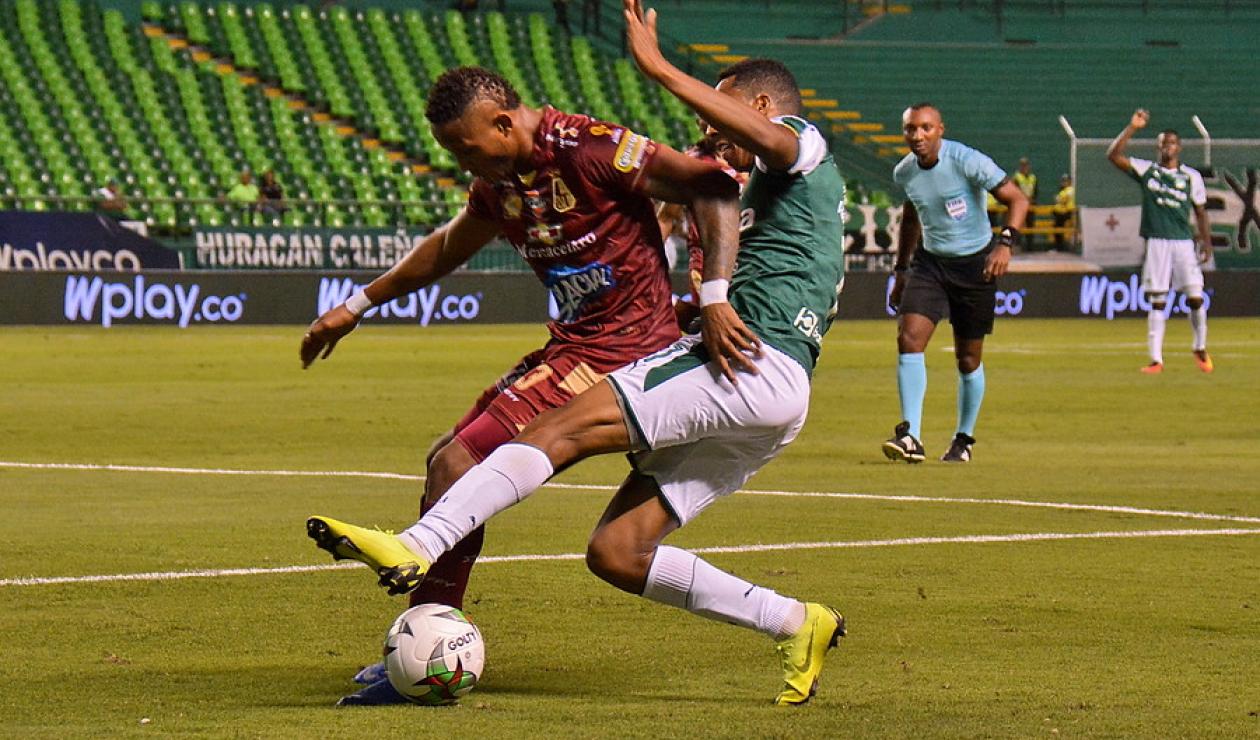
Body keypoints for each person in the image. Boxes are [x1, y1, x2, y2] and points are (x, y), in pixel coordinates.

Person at [305, 2, 847, 707]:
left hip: (742, 362)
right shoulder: (770, 194)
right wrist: (360, 302)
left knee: (547, 433)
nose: (709, 128)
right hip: (774, 391)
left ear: (765, 107)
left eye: (723, 111)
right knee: (618, 552)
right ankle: (796, 622)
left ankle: (419, 544)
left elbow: (713, 175)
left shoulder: (800, 147)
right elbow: (449, 244)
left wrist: (657, 69)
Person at [883, 103, 1028, 464]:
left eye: (926, 128)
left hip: (975, 267)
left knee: (968, 359)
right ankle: (911, 435)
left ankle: (963, 440)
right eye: (911, 129)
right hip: (930, 264)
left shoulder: (967, 161)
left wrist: (1005, 244)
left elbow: (1017, 199)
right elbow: (912, 216)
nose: (917, 136)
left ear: (940, 130)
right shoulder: (905, 173)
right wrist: (901, 271)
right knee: (909, 338)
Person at [1106, 109, 1213, 374]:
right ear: (1158, 147)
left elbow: (1200, 211)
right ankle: (1156, 360)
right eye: (1164, 143)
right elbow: (1113, 156)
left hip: (1183, 243)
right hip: (1157, 243)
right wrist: (1132, 127)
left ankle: (1199, 347)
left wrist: (1207, 243)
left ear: (1179, 148)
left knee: (1196, 298)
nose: (1168, 147)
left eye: (1172, 143)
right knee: (1158, 301)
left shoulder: (1191, 177)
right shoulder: (1147, 171)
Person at [1012, 157, 1038, 250]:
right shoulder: (1017, 177)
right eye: (1023, 165)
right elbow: (1015, 190)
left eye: (1026, 165)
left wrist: (1032, 200)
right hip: (1020, 205)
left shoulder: (1033, 177)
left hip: (1030, 205)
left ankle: (1030, 247)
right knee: (1018, 224)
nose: (1024, 167)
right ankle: (1018, 245)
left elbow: (1035, 191)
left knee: (1030, 225)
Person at [1052, 174, 1075, 250]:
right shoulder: (1063, 190)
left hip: (1069, 212)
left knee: (1058, 225)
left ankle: (1059, 247)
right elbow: (1058, 200)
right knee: (1056, 226)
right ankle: (1059, 246)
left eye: (1066, 180)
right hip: (1061, 213)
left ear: (1070, 181)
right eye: (1063, 180)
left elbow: (1062, 199)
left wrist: (1059, 198)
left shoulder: (1070, 189)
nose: (1064, 182)